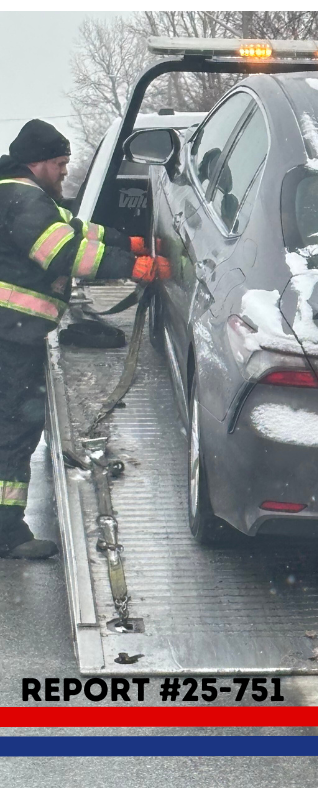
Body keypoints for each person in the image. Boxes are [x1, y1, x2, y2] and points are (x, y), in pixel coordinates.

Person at [0, 119, 169, 560]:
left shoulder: (16, 194)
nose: (63, 172)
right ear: (36, 163)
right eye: (59, 164)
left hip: (9, 336)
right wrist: (131, 267)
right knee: (13, 432)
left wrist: (127, 242)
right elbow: (64, 252)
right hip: (8, 339)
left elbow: (75, 231)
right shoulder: (25, 199)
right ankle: (5, 534)